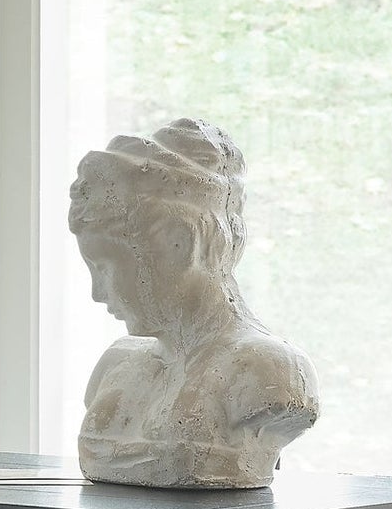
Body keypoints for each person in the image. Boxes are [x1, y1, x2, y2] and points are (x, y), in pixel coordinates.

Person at [69, 118, 318, 489]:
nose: (97, 293)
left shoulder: (268, 371)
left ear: (179, 245)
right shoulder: (116, 364)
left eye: (104, 268)